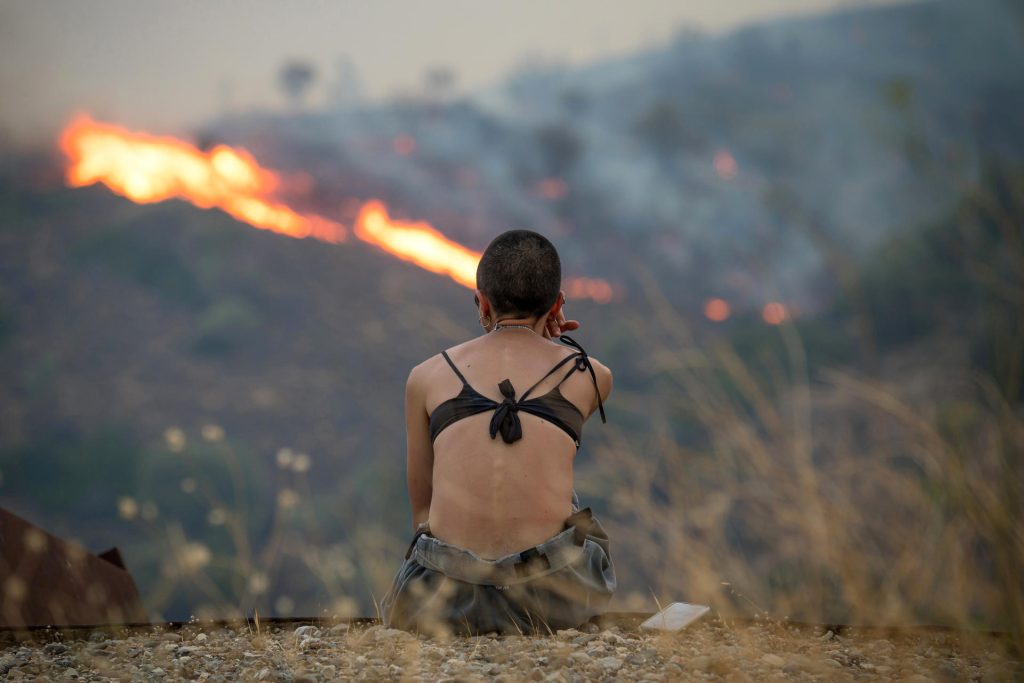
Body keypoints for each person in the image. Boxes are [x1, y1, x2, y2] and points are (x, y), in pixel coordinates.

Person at [380, 230, 615, 635]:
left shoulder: (426, 377)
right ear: (558, 304)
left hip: (443, 605)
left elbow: (422, 515)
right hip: (550, 601)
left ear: (481, 302)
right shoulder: (592, 376)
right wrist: (546, 339)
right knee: (569, 503)